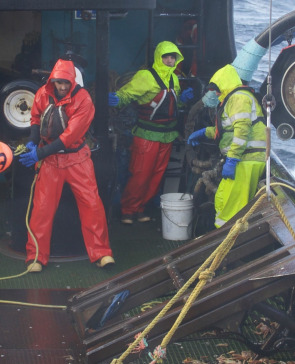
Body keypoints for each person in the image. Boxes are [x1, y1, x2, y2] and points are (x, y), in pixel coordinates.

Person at [19, 59, 115, 272]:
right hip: (50, 162)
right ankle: (35, 256)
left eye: (66, 83)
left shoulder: (84, 101)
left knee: (92, 205)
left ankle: (101, 253)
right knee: (41, 209)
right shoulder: (43, 94)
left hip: (77, 159)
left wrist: (39, 154)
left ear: (73, 81)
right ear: (53, 80)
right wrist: (33, 141)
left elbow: (69, 136)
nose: (62, 87)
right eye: (59, 82)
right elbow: (35, 119)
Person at [108, 41, 194, 224]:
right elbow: (127, 94)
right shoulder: (145, 76)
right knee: (140, 174)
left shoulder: (175, 79)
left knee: (156, 176)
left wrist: (182, 101)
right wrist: (117, 99)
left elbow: (174, 105)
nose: (170, 60)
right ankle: (128, 210)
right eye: (167, 56)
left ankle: (141, 209)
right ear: (159, 57)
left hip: (167, 135)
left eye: (173, 57)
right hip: (146, 135)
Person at [188, 64, 266, 228]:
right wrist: (203, 132)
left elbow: (241, 131)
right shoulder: (233, 99)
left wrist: (232, 159)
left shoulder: (238, 98)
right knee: (222, 198)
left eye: (216, 88)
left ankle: (227, 244)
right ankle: (222, 241)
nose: (215, 93)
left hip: (246, 160)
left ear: (223, 85)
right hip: (242, 159)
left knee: (231, 211)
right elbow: (227, 129)